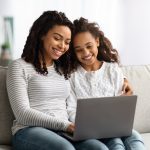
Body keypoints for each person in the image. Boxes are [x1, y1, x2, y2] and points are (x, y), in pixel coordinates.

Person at [6, 10, 133, 150]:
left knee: (99, 148)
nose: (62, 46)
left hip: (64, 131)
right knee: (66, 148)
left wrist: (123, 80)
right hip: (29, 130)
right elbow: (22, 114)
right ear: (42, 34)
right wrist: (66, 125)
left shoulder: (63, 69)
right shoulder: (18, 66)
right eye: (57, 38)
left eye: (67, 42)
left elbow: (92, 69)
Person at [67, 17, 146, 150]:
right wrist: (91, 124)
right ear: (73, 52)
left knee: (135, 137)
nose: (85, 53)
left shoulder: (113, 70)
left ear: (97, 42)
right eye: (79, 49)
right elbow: (70, 110)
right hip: (90, 130)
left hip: (115, 126)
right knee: (116, 143)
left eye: (89, 46)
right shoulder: (72, 77)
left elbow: (121, 105)